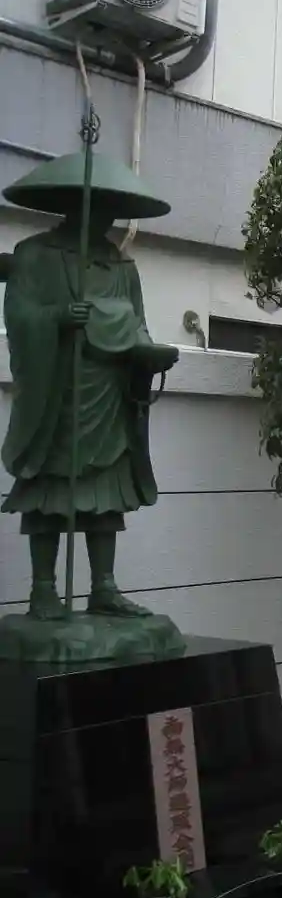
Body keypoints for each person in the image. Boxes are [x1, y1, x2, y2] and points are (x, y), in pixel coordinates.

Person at [2, 212, 178, 620]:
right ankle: (43, 589)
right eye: (97, 207)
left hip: (108, 390)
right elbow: (18, 314)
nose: (106, 218)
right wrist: (57, 316)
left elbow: (137, 324)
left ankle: (104, 586)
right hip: (57, 388)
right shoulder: (35, 254)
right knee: (49, 490)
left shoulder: (121, 264)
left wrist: (148, 354)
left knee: (106, 493)